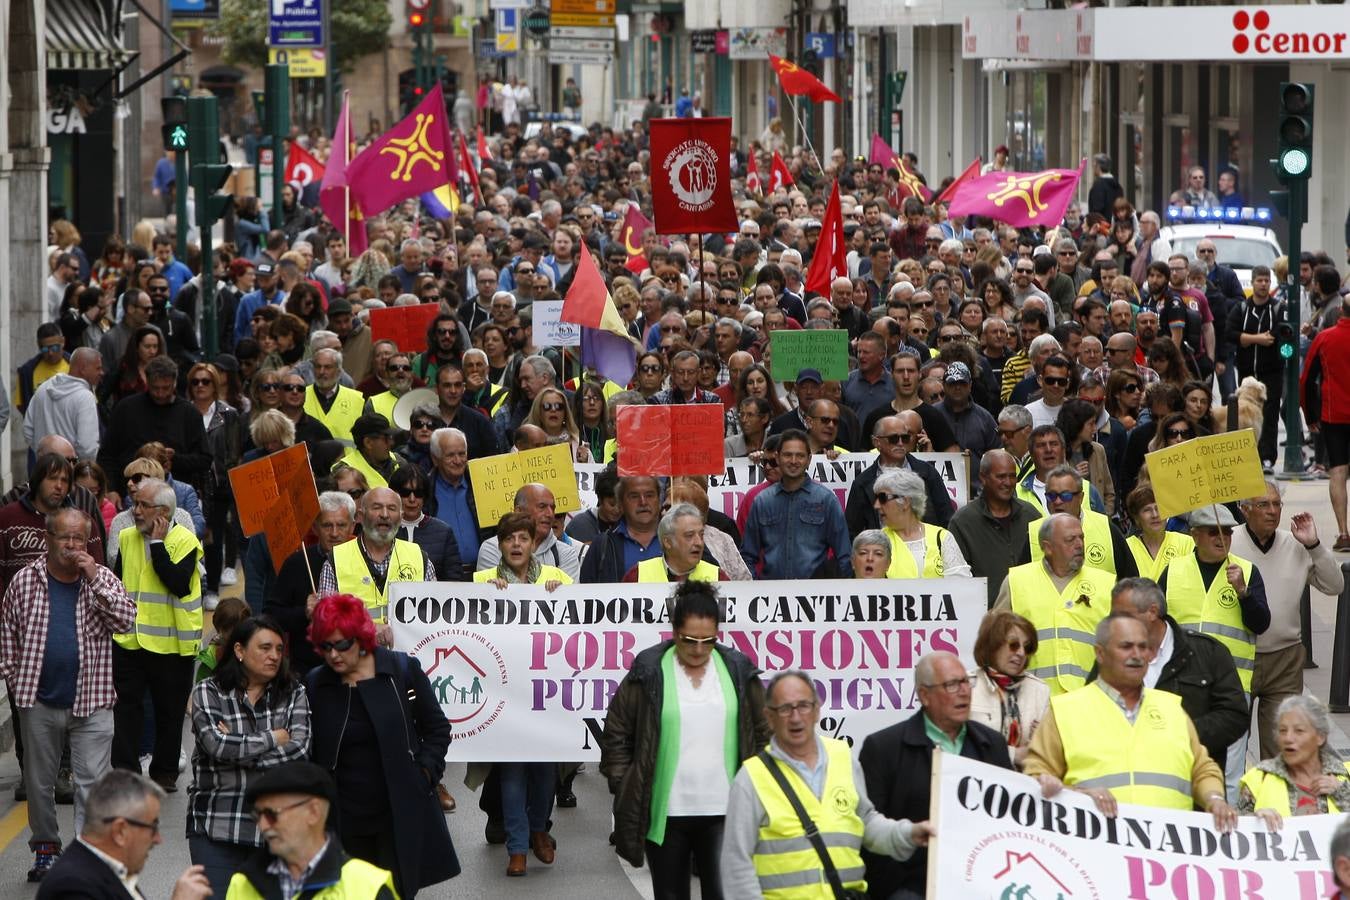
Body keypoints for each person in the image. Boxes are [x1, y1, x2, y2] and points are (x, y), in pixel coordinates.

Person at [600, 579, 769, 899]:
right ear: (674, 630)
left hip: (726, 812)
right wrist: (624, 782)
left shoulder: (737, 668)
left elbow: (763, 732)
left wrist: (758, 785)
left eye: (708, 640)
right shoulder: (649, 669)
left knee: (722, 894)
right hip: (666, 814)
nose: (698, 648)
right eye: (689, 639)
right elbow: (617, 731)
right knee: (671, 894)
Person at [1, 508, 136, 881]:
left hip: (92, 700)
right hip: (39, 700)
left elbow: (126, 621)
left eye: (79, 538)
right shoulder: (25, 581)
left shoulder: (101, 578)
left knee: (92, 781)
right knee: (39, 783)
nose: (73, 545)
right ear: (48, 539)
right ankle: (45, 848)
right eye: (65, 537)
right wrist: (15, 681)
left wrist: (94, 577)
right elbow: (7, 636)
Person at [720, 670, 933, 899]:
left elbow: (866, 823)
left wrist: (908, 833)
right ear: (769, 717)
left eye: (803, 705)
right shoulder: (751, 778)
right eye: (784, 709)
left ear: (817, 710)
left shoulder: (843, 758)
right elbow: (736, 863)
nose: (795, 717)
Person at [305, 595, 460, 897]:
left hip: (397, 815)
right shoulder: (316, 683)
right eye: (326, 646)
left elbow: (437, 728)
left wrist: (425, 774)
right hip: (342, 820)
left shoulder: (400, 670)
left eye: (342, 644)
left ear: (361, 638)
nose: (334, 655)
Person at [1024, 614, 1235, 827]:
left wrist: (1214, 799)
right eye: (1126, 647)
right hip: (1094, 850)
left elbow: (1202, 768)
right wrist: (1078, 795)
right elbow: (1034, 779)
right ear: (1100, 653)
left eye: (1143, 647)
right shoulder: (1066, 711)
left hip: (1167, 851)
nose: (1137, 655)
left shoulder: (1171, 708)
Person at [858, 652, 1011, 897]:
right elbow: (870, 832)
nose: (964, 691)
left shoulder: (991, 744)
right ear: (925, 695)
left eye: (966, 682)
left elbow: (1011, 815)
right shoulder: (883, 748)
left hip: (978, 883)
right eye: (952, 685)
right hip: (910, 886)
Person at [187, 616, 311, 897]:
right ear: (239, 651)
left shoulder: (294, 693)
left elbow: (300, 752)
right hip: (217, 824)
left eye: (279, 649)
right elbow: (216, 746)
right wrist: (274, 738)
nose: (274, 656)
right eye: (265, 648)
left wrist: (236, 748)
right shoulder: (208, 692)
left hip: (276, 832)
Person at [1231, 479, 1344, 760]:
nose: (1272, 511)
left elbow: (1335, 586)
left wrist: (1315, 545)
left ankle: (1276, 800)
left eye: (1276, 504)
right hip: (1238, 657)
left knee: (1281, 746)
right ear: (1244, 510)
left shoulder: (1295, 544)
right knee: (1232, 746)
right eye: (1263, 505)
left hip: (1285, 659)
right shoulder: (1228, 541)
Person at [110, 478, 204, 793]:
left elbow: (177, 583)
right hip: (130, 640)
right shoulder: (125, 538)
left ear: (163, 512)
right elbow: (119, 584)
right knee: (126, 709)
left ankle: (164, 772)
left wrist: (157, 546)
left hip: (171, 644)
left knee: (169, 712)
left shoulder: (185, 541)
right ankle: (125, 770)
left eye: (142, 506)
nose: (134, 511)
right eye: (134, 503)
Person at [1107, 577, 1248, 766]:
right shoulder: (1111, 656)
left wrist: (1179, 735)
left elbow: (1234, 716)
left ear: (1152, 612)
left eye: (1122, 616)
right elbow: (1092, 710)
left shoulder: (1208, 653)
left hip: (1193, 780)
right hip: (1128, 778)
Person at [228, 760, 399, 899]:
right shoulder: (242, 882)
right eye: (258, 816)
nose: (263, 826)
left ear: (313, 812)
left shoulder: (368, 886)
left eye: (271, 814)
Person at [36, 769, 213, 900]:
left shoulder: (107, 870)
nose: (158, 839)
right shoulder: (72, 888)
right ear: (120, 831)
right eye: (152, 827)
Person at [994, 513, 1117, 696]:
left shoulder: (1106, 584)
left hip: (1090, 702)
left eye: (1081, 538)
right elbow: (995, 643)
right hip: (1032, 702)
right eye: (1070, 540)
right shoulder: (1016, 581)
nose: (1080, 545)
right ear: (1048, 548)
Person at [318, 488, 435, 633]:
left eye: (391, 508)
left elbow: (433, 616)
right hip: (355, 652)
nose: (384, 515)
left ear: (401, 517)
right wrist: (370, 628)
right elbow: (327, 621)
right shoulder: (335, 560)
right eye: (377, 507)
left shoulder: (419, 558)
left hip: (406, 653)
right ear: (360, 516)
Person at [741, 430, 852, 578]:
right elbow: (748, 557)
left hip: (815, 595)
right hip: (771, 595)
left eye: (800, 455)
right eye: (787, 455)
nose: (793, 461)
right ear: (778, 457)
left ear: (809, 460)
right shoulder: (762, 501)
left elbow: (844, 556)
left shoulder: (826, 500)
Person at [1237, 696, 1350, 831]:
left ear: (1320, 737)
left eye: (1299, 731)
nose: (1288, 738)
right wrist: (1253, 820)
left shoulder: (1343, 777)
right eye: (1283, 731)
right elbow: (1235, 832)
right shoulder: (1258, 778)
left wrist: (1342, 793)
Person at [949, 450, 1042, 607]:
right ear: (983, 478)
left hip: (1030, 610)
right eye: (1001, 476)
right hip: (985, 616)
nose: (1008, 482)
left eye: (1012, 476)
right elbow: (958, 579)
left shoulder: (1031, 515)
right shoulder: (962, 522)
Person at [1021, 464, 1135, 581]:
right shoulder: (1033, 533)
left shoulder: (1106, 528)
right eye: (1052, 496)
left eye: (1066, 496)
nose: (1057, 501)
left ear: (1081, 497)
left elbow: (1131, 580)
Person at [844, 413, 953, 535]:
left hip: (926, 549)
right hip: (884, 550)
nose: (901, 443)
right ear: (876, 442)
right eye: (893, 439)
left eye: (905, 438)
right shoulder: (862, 483)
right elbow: (851, 531)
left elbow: (946, 518)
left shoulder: (928, 473)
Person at [968, 610, 1050, 766]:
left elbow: (1046, 755)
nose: (1021, 653)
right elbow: (958, 747)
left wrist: (1044, 741)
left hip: (1024, 784)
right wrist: (1013, 754)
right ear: (992, 645)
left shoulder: (1039, 690)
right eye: (1013, 645)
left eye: (1027, 647)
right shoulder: (966, 686)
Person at [1301, 292, 1350, 550]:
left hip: (1334, 415)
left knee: (1338, 472)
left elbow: (1307, 379)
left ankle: (1343, 533)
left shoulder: (1325, 338)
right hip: (1336, 413)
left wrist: (1310, 415)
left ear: (1341, 310)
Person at [873, 470, 970, 578]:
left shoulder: (941, 538)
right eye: (875, 498)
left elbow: (961, 587)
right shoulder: (876, 541)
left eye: (882, 498)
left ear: (905, 501)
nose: (876, 505)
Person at [476, 483, 583, 581]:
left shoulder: (566, 553)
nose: (550, 514)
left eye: (552, 508)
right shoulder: (491, 548)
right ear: (519, 511)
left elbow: (567, 598)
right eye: (542, 507)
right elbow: (490, 596)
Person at [425, 427, 486, 578]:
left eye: (462, 454)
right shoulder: (425, 491)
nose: (458, 461)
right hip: (442, 578)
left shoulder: (482, 485)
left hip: (483, 575)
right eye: (450, 455)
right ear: (435, 458)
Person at [623, 503, 726, 583]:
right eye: (689, 536)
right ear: (667, 542)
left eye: (701, 535)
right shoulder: (637, 576)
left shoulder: (718, 577)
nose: (699, 542)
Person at [473, 512, 572, 591]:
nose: (516, 543)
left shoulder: (558, 576)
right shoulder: (481, 580)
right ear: (499, 545)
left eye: (523, 539)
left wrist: (562, 593)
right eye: (509, 539)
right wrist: (486, 594)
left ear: (533, 544)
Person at [1124, 485, 1196, 581]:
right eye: (1147, 510)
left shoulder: (1187, 543)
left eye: (1159, 508)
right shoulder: (1126, 547)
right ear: (1137, 518)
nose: (1155, 515)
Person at [331, 414, 405, 489]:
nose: (391, 443)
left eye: (391, 437)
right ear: (368, 442)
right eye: (386, 438)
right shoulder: (342, 470)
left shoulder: (398, 461)